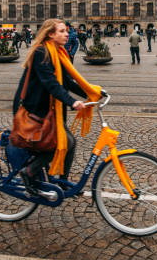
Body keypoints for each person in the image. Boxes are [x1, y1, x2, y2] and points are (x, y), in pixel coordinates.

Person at [12, 19, 101, 195]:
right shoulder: (41, 52)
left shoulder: (58, 53)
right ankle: (28, 173)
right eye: (61, 31)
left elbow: (66, 82)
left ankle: (61, 182)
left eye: (66, 31)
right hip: (33, 110)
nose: (67, 34)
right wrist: (72, 102)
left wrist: (92, 93)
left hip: (49, 110)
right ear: (50, 34)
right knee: (58, 144)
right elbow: (51, 84)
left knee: (71, 142)